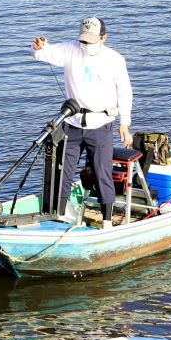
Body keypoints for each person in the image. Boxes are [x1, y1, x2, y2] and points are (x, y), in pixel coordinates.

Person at [32, 17, 133, 226]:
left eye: (91, 41)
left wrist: (125, 122)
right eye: (83, 40)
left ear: (103, 38)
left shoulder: (114, 59)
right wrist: (39, 47)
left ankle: (107, 220)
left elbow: (125, 91)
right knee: (64, 170)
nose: (86, 45)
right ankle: (59, 213)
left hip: (100, 124)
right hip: (72, 123)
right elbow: (45, 53)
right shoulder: (70, 49)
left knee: (101, 171)